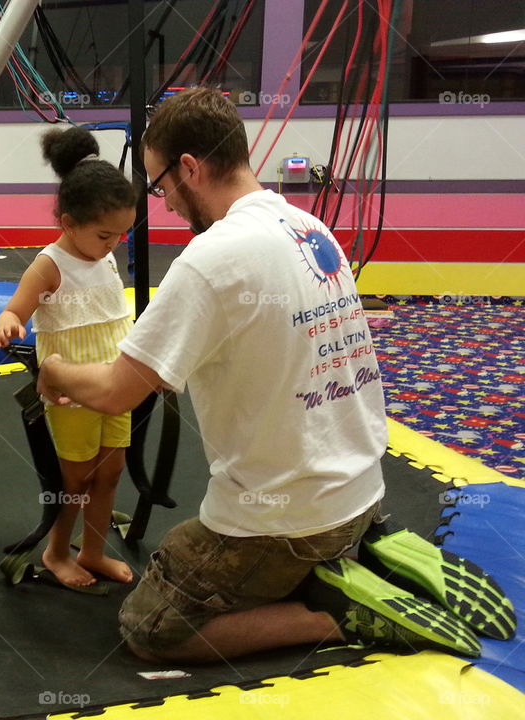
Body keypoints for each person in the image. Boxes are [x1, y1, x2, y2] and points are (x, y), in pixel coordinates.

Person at [37, 87, 511, 662]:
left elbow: (115, 392)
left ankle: (331, 614)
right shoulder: (310, 228)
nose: (163, 202)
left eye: (160, 184)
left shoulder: (211, 258)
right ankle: (368, 551)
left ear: (190, 167)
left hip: (289, 523)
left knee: (150, 626)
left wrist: (55, 369)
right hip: (362, 494)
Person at [0, 126, 137, 588]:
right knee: (74, 480)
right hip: (70, 391)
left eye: (121, 235)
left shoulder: (105, 256)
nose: (114, 244)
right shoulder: (50, 264)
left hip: (113, 384)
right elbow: (15, 310)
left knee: (111, 472)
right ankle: (56, 552)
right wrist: (8, 323)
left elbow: (113, 318)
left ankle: (91, 552)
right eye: (104, 234)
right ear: (68, 223)